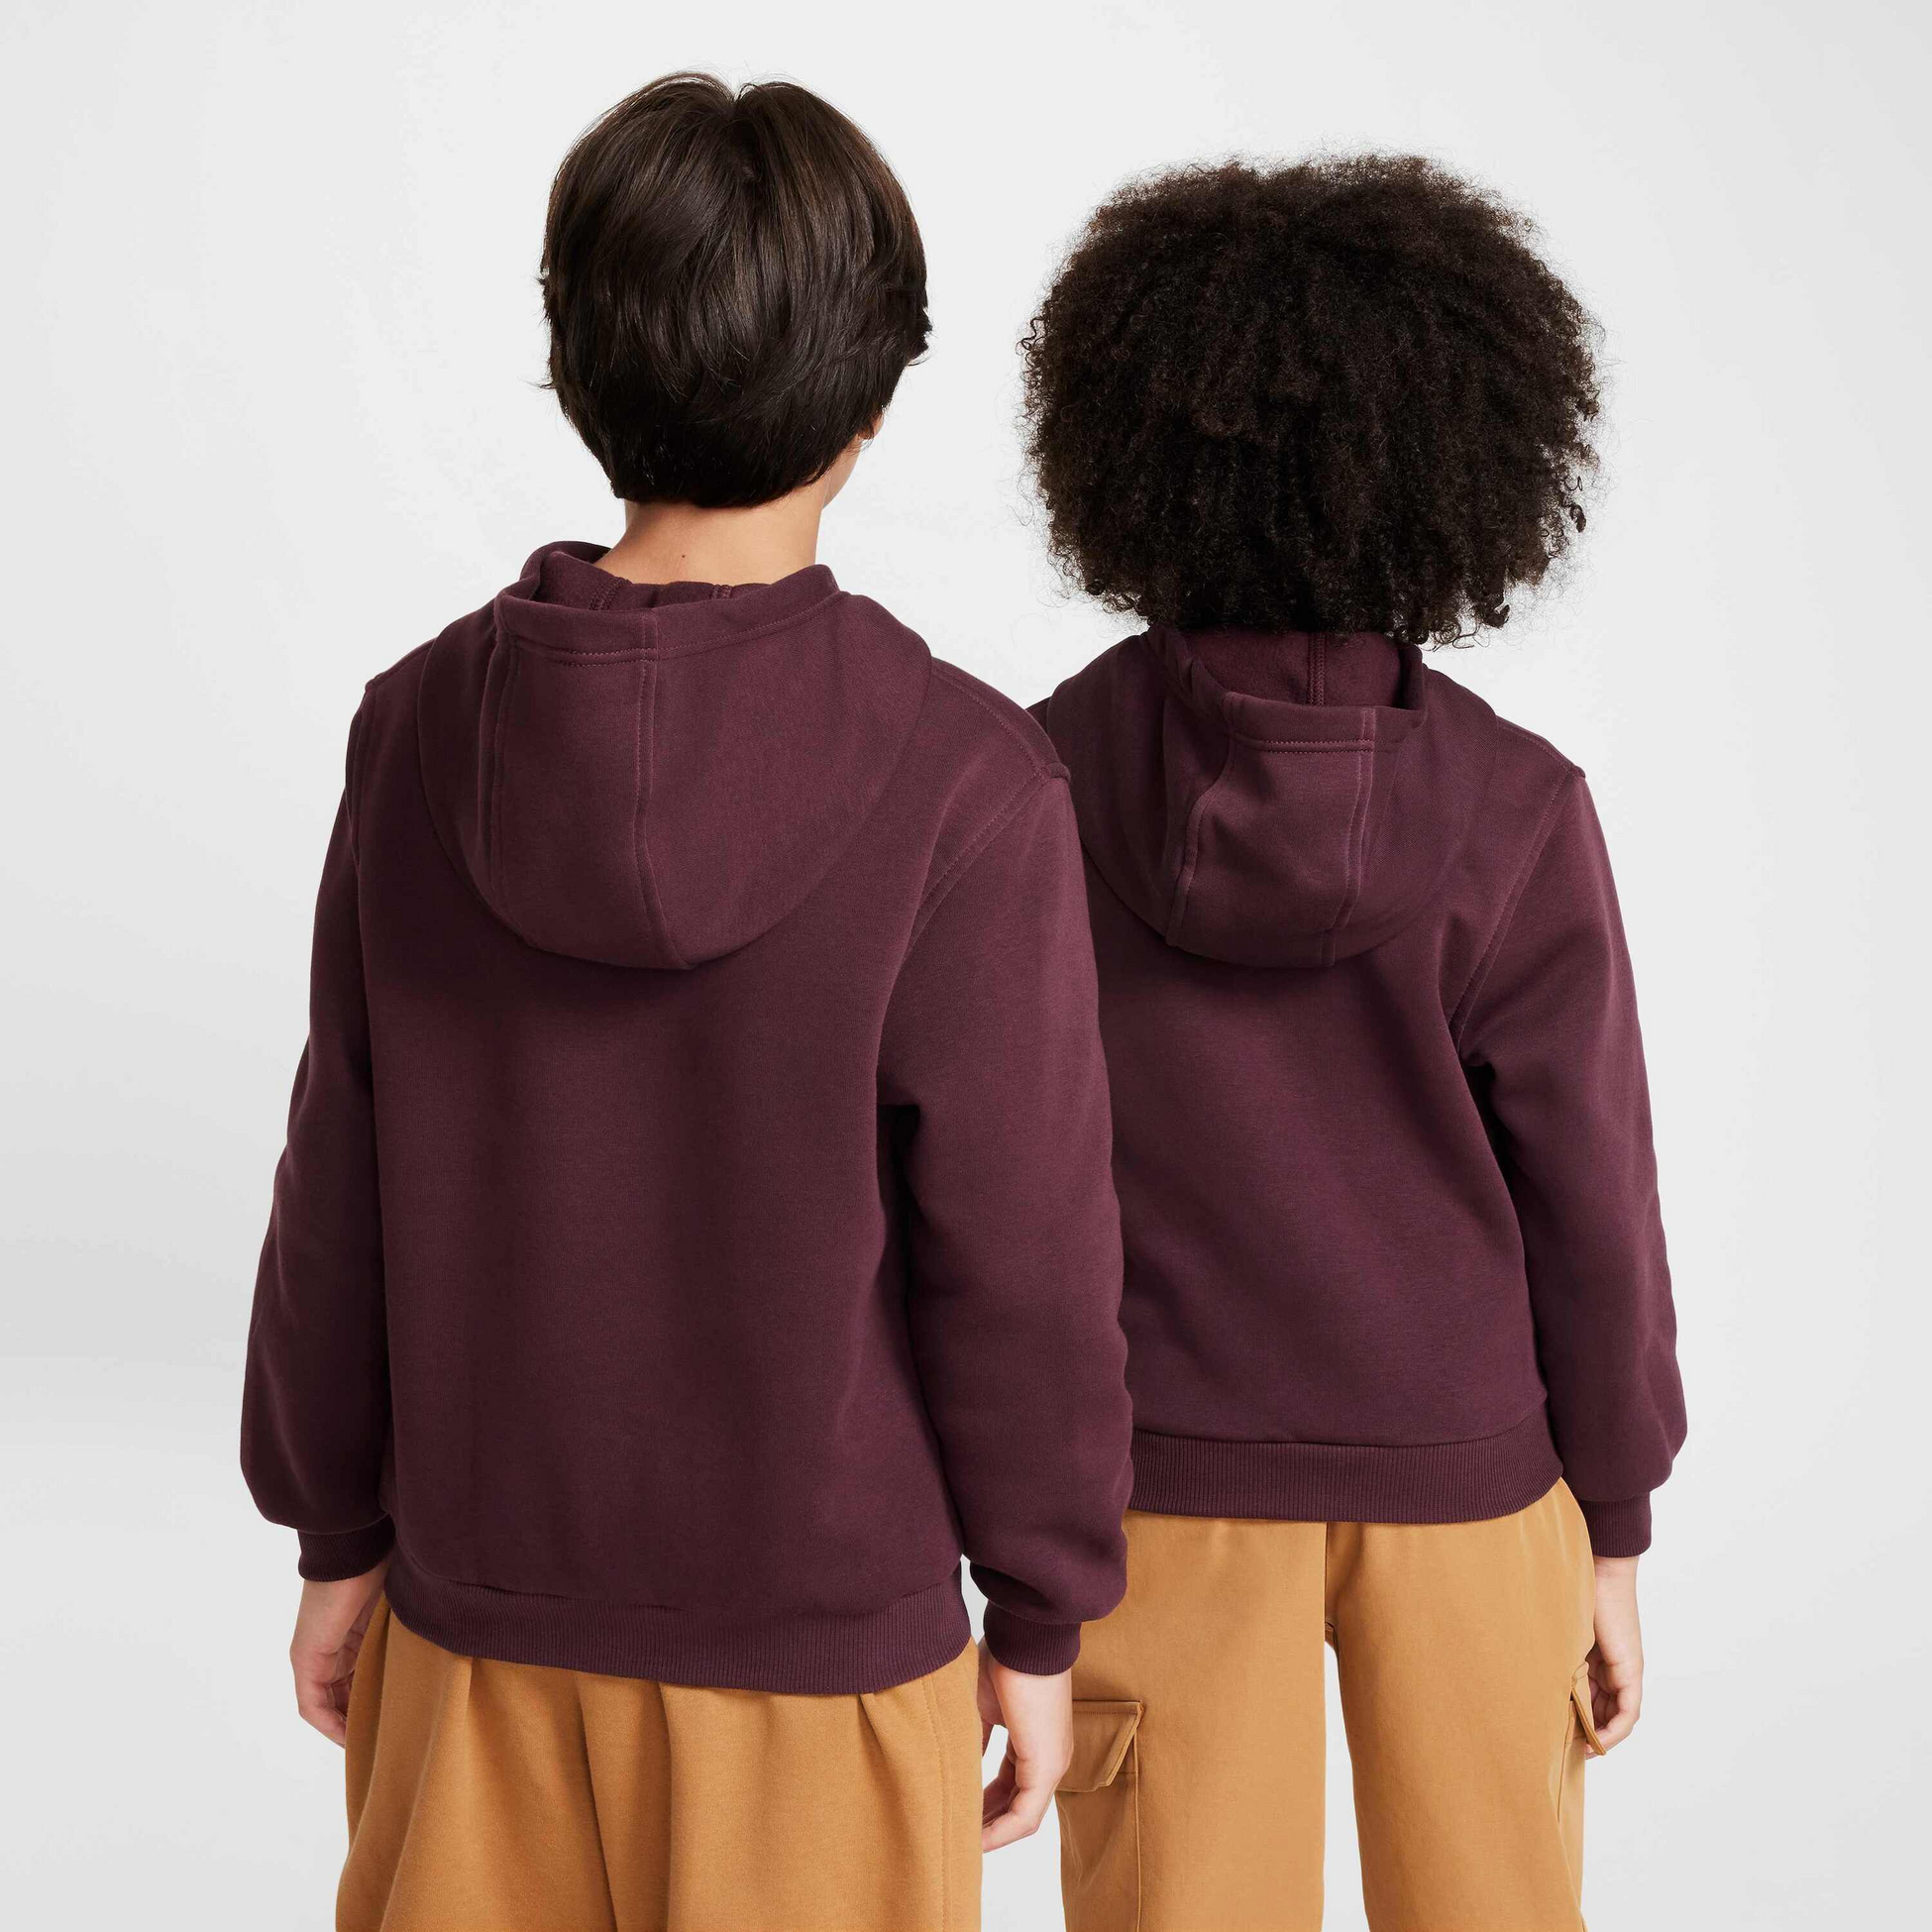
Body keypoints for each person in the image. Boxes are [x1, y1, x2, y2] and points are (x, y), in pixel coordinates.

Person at [242, 72, 1132, 1932]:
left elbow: (338, 1178)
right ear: (872, 401)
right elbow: (1025, 1259)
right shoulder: (967, 781)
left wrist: (338, 1531)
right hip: (825, 1668)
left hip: (473, 1628)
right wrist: (1044, 1612)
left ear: (575, 363)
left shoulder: (414, 730)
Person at [1022, 156, 1686, 1931]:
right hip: (1471, 1482)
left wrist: (1001, 1526)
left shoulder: (1028, 784)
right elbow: (1593, 1204)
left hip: (1154, 1487)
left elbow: (979, 1175)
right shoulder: (1516, 808)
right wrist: (1614, 1520)